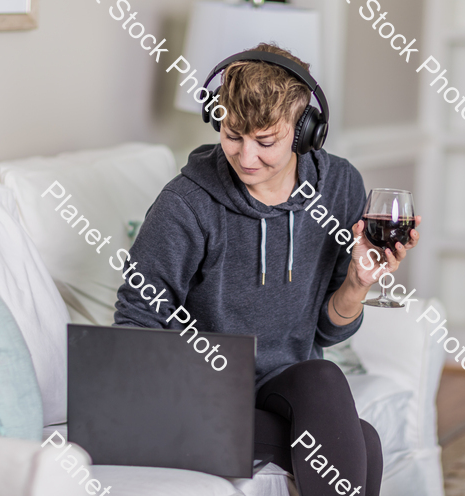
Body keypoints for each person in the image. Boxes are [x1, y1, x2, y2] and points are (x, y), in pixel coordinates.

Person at [114, 42, 420, 495]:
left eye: (266, 141)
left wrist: (357, 284)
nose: (246, 156)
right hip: (199, 394)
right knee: (365, 443)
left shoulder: (338, 186)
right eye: (233, 134)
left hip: (284, 388)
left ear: (304, 133)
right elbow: (135, 322)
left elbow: (329, 331)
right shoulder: (187, 203)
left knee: (325, 379)